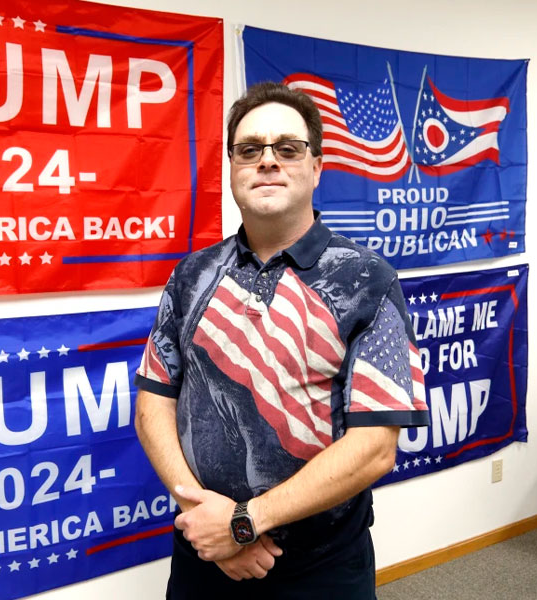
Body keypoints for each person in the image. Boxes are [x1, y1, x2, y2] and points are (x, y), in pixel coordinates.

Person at [133, 82, 430, 599]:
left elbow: (375, 448)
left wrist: (243, 523)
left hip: (319, 569)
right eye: (250, 150)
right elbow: (153, 405)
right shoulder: (192, 276)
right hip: (204, 556)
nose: (267, 161)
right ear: (232, 167)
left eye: (288, 149)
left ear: (316, 167)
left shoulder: (368, 281)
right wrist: (208, 523)